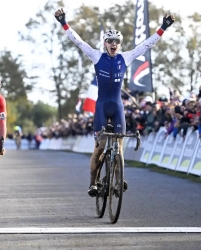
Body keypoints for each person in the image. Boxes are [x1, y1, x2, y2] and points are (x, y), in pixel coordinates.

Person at [54, 8, 175, 197]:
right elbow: (78, 41)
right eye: (110, 41)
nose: (113, 44)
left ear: (120, 44)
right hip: (101, 107)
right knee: (99, 148)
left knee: (119, 147)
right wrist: (63, 23)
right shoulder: (96, 56)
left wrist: (163, 28)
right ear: (105, 43)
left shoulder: (125, 57)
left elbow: (146, 45)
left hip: (117, 107)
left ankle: (119, 180)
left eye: (117, 42)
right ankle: (93, 182)